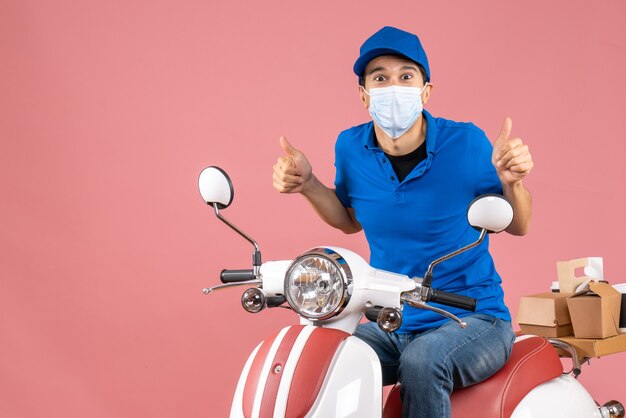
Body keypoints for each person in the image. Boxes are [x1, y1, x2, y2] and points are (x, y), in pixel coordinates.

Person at [272, 26, 533, 418]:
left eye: (406, 76)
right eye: (380, 78)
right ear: (364, 94)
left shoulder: (466, 143)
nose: (393, 86)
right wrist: (308, 184)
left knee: (422, 361)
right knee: (324, 354)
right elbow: (348, 221)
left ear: (426, 91)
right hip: (392, 318)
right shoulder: (350, 147)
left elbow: (519, 224)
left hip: (472, 318)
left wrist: (513, 184)